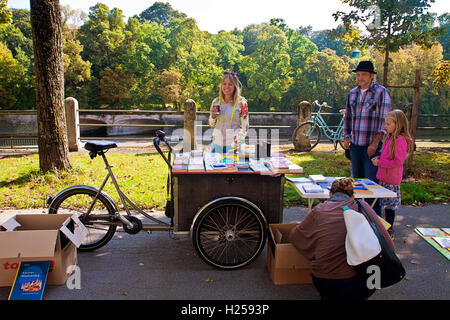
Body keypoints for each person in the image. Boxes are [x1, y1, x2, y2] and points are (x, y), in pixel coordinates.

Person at [289, 178, 394, 300]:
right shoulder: (362, 207)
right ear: (353, 196)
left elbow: (295, 236)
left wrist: (315, 251)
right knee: (370, 275)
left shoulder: (319, 210)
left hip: (322, 281)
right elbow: (389, 245)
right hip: (354, 282)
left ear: (330, 194)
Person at [343, 61, 392, 215]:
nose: (360, 78)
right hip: (356, 145)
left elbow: (385, 120)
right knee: (356, 186)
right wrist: (347, 137)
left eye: (363, 74)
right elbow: (348, 117)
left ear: (371, 76)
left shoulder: (381, 92)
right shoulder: (352, 93)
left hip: (372, 146)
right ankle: (358, 219)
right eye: (357, 75)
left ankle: (375, 223)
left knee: (371, 188)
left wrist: (375, 143)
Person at [372, 109, 413, 239]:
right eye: (386, 123)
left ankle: (389, 230)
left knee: (389, 206)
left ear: (398, 124)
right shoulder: (390, 138)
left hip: (391, 179)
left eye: (389, 124)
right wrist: (379, 159)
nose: (386, 126)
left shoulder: (400, 140)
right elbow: (387, 156)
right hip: (384, 176)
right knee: (383, 204)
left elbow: (398, 161)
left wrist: (380, 163)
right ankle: (384, 228)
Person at [209, 72, 249, 153]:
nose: (226, 87)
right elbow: (211, 125)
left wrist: (236, 143)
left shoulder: (242, 103)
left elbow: (245, 128)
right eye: (224, 83)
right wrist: (212, 117)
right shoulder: (216, 101)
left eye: (230, 84)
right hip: (217, 144)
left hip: (232, 146)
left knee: (230, 166)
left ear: (235, 86)